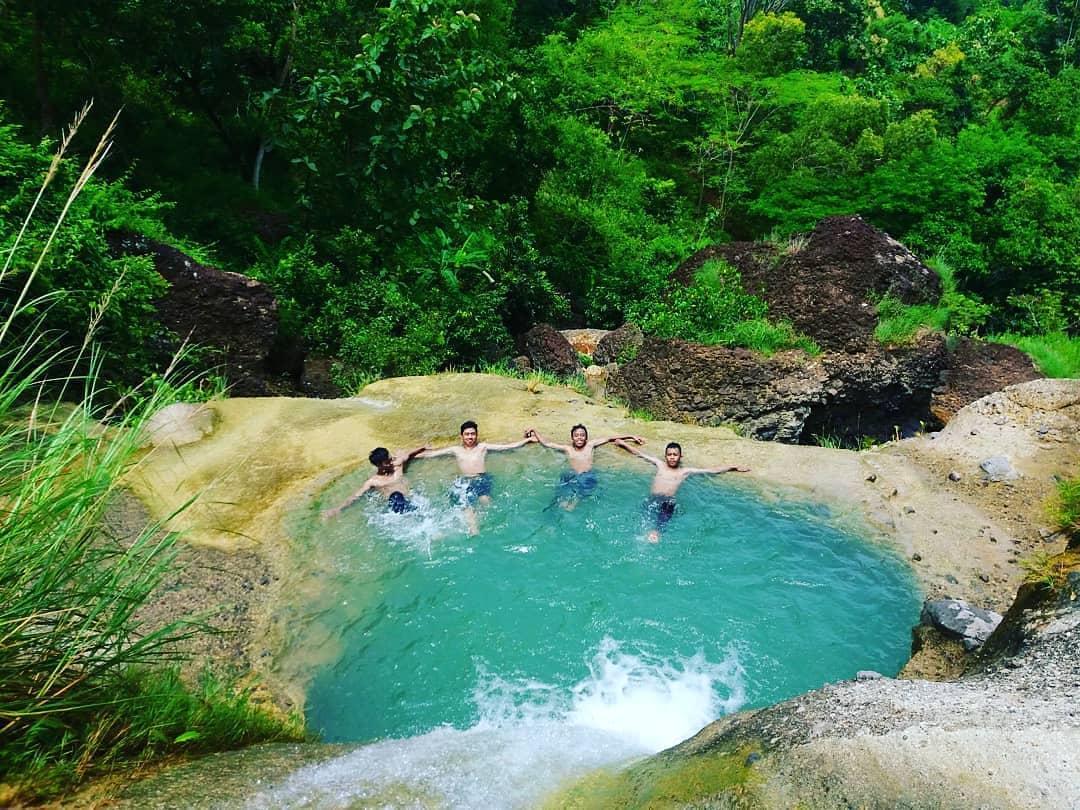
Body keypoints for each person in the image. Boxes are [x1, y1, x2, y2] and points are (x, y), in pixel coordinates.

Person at [613, 438, 750, 543]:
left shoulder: (685, 471)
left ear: (680, 457)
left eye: (675, 455)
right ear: (665, 456)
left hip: (668, 500)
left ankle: (656, 532)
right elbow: (640, 454)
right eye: (669, 454)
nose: (672, 457)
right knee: (642, 515)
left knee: (664, 516)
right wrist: (624, 444)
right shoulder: (660, 465)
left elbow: (711, 470)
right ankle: (643, 532)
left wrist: (733, 467)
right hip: (653, 498)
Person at [420, 420, 538, 534]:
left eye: (473, 434)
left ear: (476, 435)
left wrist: (526, 440)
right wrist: (409, 454)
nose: (470, 437)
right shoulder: (455, 450)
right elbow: (432, 455)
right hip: (464, 481)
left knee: (485, 500)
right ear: (461, 436)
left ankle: (495, 524)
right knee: (466, 505)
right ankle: (474, 530)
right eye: (467, 434)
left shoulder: (482, 447)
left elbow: (506, 447)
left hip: (481, 478)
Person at [524, 424, 645, 511]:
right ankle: (561, 501)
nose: (579, 438)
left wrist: (631, 436)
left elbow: (609, 438)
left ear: (586, 438)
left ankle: (574, 503)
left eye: (582, 435)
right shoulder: (568, 449)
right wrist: (534, 430)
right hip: (572, 474)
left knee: (588, 481)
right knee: (564, 479)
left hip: (587, 475)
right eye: (576, 435)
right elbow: (547, 443)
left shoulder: (590, 445)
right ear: (572, 438)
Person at [322, 444, 428, 519]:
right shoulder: (374, 481)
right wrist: (338, 509)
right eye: (387, 461)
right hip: (397, 505)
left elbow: (407, 454)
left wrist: (422, 447)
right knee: (396, 496)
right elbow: (355, 496)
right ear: (379, 465)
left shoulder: (397, 465)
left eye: (390, 459)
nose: (391, 462)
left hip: (413, 499)